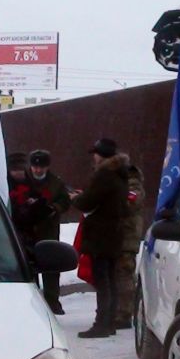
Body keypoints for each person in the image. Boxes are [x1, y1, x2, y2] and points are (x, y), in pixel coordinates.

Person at [69, 137, 129, 338]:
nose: (93, 157)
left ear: (100, 155)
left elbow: (88, 202)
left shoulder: (104, 175)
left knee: (103, 281)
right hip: (113, 235)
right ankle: (109, 322)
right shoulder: (119, 174)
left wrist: (76, 198)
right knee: (109, 280)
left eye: (95, 153)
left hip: (101, 236)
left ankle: (101, 324)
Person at [22, 149, 72, 315]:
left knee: (51, 267)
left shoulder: (56, 183)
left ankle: (52, 301)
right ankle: (32, 300)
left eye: (41, 167)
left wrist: (53, 208)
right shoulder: (23, 179)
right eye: (35, 167)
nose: (37, 170)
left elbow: (64, 201)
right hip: (28, 230)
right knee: (29, 266)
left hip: (48, 230)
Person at [113, 156, 145, 329]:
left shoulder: (133, 184)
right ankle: (119, 311)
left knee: (124, 276)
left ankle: (125, 314)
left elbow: (130, 203)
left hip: (128, 237)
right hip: (122, 236)